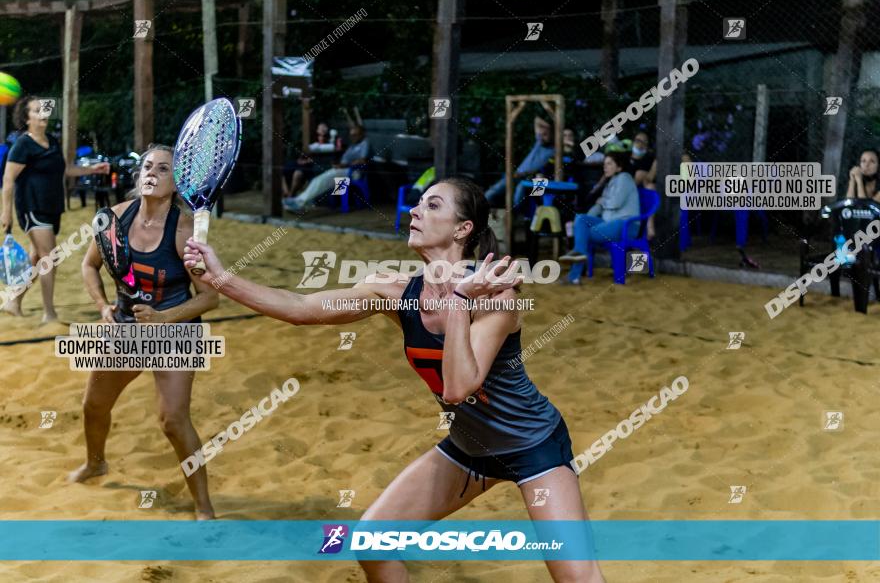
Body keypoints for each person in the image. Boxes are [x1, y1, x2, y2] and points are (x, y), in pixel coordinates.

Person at [184, 177, 606, 582]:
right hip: (468, 450)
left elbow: (458, 387)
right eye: (418, 202)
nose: (415, 210)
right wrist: (220, 278)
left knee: (576, 576)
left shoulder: (497, 292)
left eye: (432, 205)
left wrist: (459, 301)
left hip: (533, 446)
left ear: (463, 228)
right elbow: (300, 307)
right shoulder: (395, 289)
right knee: (373, 544)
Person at [68, 144, 220, 521]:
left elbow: (210, 298)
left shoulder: (184, 231)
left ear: (176, 181)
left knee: (173, 420)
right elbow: (89, 266)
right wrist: (103, 306)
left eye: (163, 169)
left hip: (175, 332)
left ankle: (204, 507)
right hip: (125, 329)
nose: (152, 173)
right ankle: (96, 463)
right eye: (148, 166)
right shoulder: (114, 218)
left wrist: (163, 318)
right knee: (93, 405)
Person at [0, 95, 109, 321]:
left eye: (43, 109)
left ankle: (14, 301)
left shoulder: (52, 140)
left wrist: (93, 169)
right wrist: (5, 212)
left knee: (36, 257)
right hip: (31, 206)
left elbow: (66, 169)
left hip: (52, 207)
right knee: (49, 257)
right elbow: (8, 180)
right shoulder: (23, 144)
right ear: (26, 118)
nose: (43, 114)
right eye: (36, 110)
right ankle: (49, 313)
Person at [559, 152, 640, 284]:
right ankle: (576, 269)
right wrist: (581, 224)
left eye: (609, 164)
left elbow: (615, 202)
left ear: (619, 167)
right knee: (581, 219)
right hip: (609, 223)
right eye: (604, 164)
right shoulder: (611, 182)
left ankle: (574, 272)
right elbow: (598, 206)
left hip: (625, 225)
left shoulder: (625, 178)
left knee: (585, 235)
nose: (605, 167)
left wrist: (602, 201)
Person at [283, 124, 371, 212]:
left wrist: (344, 165)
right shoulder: (352, 146)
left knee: (322, 180)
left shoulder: (365, 143)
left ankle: (299, 202)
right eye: (351, 135)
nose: (352, 137)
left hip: (355, 173)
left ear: (362, 134)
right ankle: (300, 202)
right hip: (343, 170)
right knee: (319, 180)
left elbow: (363, 161)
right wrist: (338, 164)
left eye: (355, 135)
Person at [485, 116, 556, 209]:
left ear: (553, 134)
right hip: (518, 176)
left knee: (521, 189)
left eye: (546, 134)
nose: (542, 135)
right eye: (542, 133)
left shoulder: (554, 151)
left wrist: (524, 174)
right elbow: (536, 120)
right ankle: (483, 204)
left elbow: (545, 169)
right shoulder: (539, 143)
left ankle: (515, 213)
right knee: (496, 189)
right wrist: (547, 128)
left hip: (534, 179)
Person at [282, 122, 331, 198]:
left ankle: (290, 196)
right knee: (282, 169)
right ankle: (286, 192)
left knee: (298, 174)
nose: (321, 135)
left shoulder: (329, 144)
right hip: (301, 162)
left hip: (311, 166)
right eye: (320, 129)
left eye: (324, 129)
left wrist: (307, 161)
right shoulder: (311, 140)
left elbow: (318, 160)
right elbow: (303, 153)